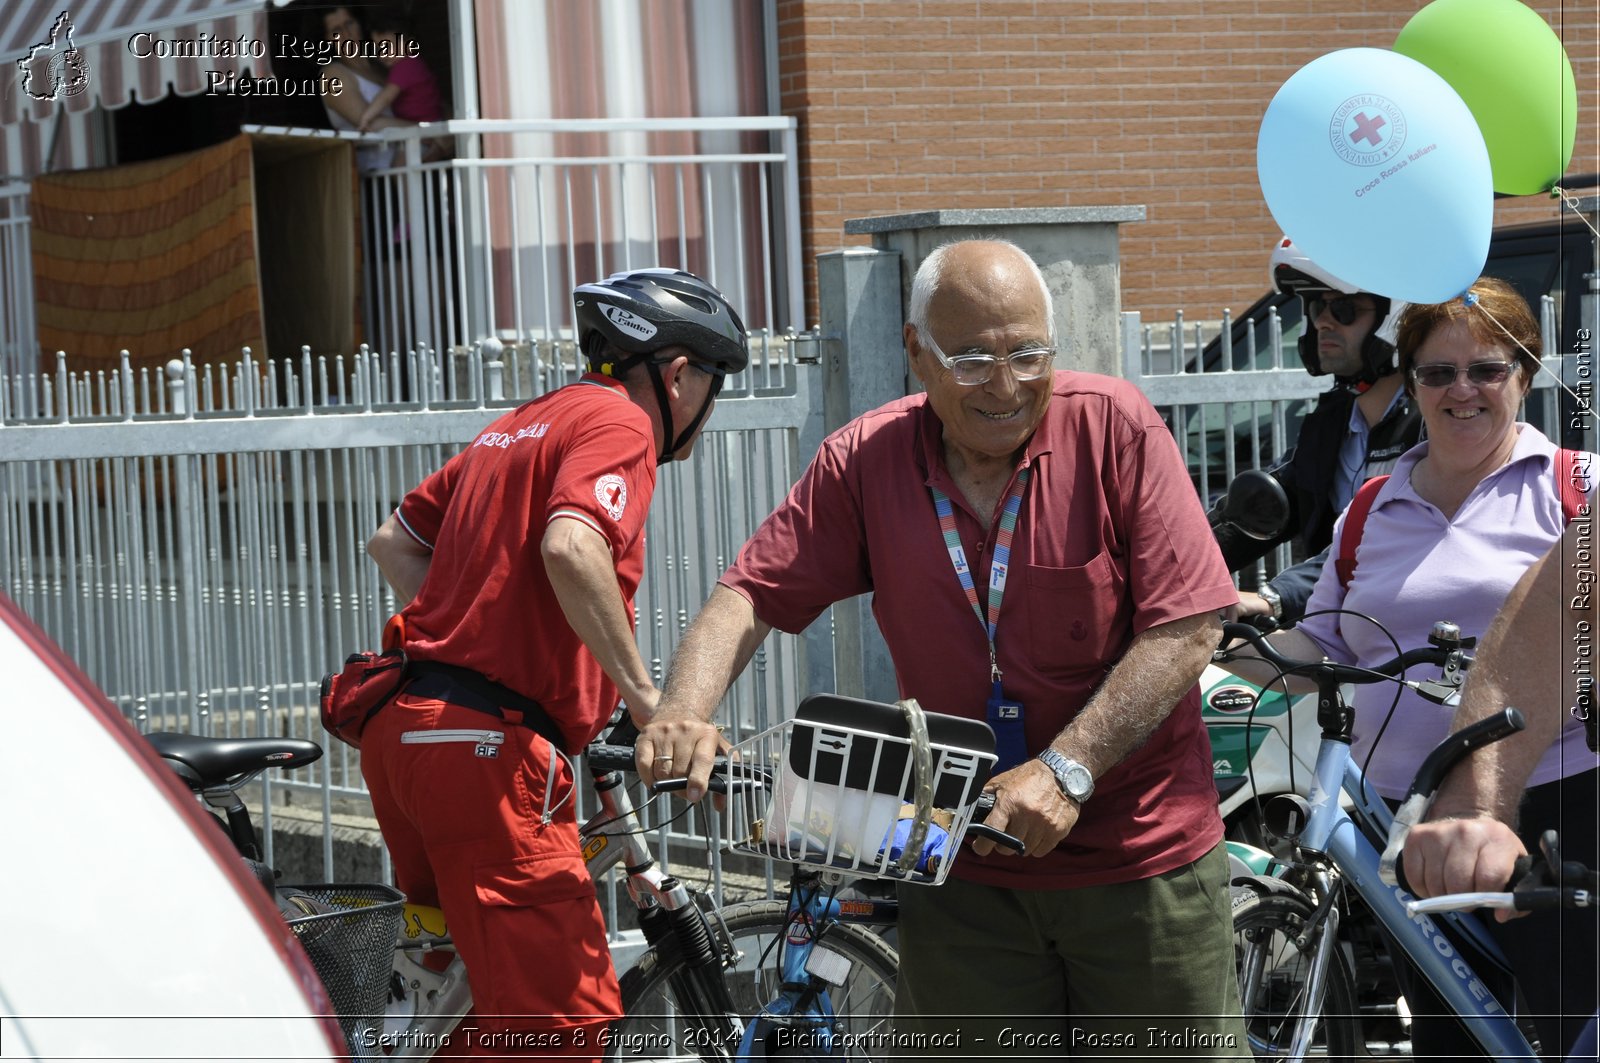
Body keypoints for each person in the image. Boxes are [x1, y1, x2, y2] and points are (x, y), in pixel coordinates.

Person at [638, 239, 1250, 1056]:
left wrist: (1068, 767)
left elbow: (1188, 627)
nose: (1006, 385)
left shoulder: (1115, 427)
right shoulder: (866, 458)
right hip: (958, 870)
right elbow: (748, 593)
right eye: (971, 359)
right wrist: (683, 711)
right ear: (916, 353)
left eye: (1028, 353)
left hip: (1142, 866)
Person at [361, 269, 747, 1058]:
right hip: (485, 751)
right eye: (714, 382)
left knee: (467, 1007)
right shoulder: (622, 423)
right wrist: (650, 703)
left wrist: (486, 625)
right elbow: (572, 544)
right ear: (678, 375)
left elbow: (395, 542)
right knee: (561, 1023)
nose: (709, 405)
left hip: (409, 730)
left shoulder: (526, 420)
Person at [1217, 276, 1597, 1058]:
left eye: (1487, 369)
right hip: (1406, 819)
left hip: (1559, 807)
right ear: (1413, 382)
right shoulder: (1371, 503)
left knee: (1570, 1030)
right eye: (1437, 372)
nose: (1463, 390)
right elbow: (1323, 642)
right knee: (1452, 1038)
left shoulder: (1575, 487)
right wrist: (1217, 643)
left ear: (1525, 374)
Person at [1403, 518, 1600, 1059]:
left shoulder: (1560, 481)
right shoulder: (1371, 506)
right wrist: (1472, 801)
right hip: (1438, 815)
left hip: (1569, 801)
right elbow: (1568, 603)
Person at [1216, 237, 1421, 625]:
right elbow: (1267, 504)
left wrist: (1273, 597)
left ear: (1394, 318)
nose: (1324, 321)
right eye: (1317, 306)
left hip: (1412, 642)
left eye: (1343, 308)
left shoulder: (1429, 427)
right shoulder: (1331, 423)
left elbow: (1386, 539)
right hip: (1335, 636)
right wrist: (1168, 562)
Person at [314, 6, 412, 174]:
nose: (346, 34)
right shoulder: (332, 75)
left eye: (350, 23)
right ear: (326, 40)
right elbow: (371, 124)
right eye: (336, 30)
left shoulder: (383, 64)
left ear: (360, 24)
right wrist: (429, 132)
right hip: (379, 177)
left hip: (414, 159)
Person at [358, 10, 447, 129]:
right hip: (429, 125)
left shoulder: (406, 65)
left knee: (377, 124)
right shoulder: (411, 64)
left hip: (427, 127)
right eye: (379, 48)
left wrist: (366, 117)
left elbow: (386, 97)